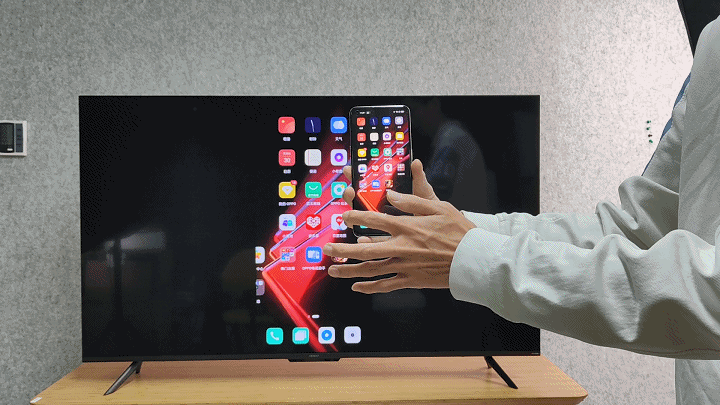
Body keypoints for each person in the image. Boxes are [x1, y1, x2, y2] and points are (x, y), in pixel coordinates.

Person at [323, 15, 720, 405]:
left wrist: (469, 253)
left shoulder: (451, 140)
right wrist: (444, 230)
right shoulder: (712, 42)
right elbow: (637, 231)